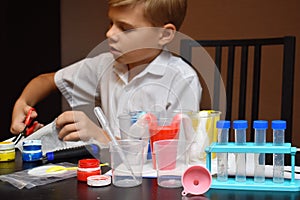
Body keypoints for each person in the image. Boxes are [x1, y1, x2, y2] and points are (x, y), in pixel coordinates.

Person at [10, 0, 202, 147]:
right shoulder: (105, 65)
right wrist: (23, 103)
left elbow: (174, 155)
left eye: (125, 28)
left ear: (164, 35)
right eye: (111, 23)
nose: (109, 34)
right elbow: (47, 81)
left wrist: (100, 136)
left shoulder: (182, 80)